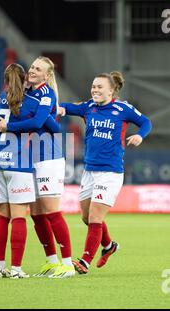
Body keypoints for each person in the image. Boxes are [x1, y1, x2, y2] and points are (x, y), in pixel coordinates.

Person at [58, 71, 152, 274]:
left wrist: (140, 136)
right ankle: (109, 246)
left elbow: (146, 122)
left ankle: (84, 261)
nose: (95, 90)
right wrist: (52, 107)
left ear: (111, 90)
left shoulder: (123, 108)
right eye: (93, 86)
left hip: (110, 173)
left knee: (94, 218)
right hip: (89, 171)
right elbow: (66, 108)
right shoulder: (88, 107)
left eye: (99, 87)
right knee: (85, 217)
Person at [0, 56, 75, 279]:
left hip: (48, 157)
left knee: (51, 211)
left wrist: (8, 126)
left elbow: (38, 123)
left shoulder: (47, 93)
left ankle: (68, 265)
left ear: (47, 75)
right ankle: (51, 261)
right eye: (32, 67)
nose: (33, 70)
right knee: (36, 214)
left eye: (39, 69)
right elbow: (12, 96)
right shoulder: (28, 90)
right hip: (29, 159)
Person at [0, 63, 61, 279]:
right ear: (24, 79)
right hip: (19, 165)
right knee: (19, 217)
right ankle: (16, 268)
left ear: (4, 80)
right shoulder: (30, 102)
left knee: (1, 216)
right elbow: (48, 127)